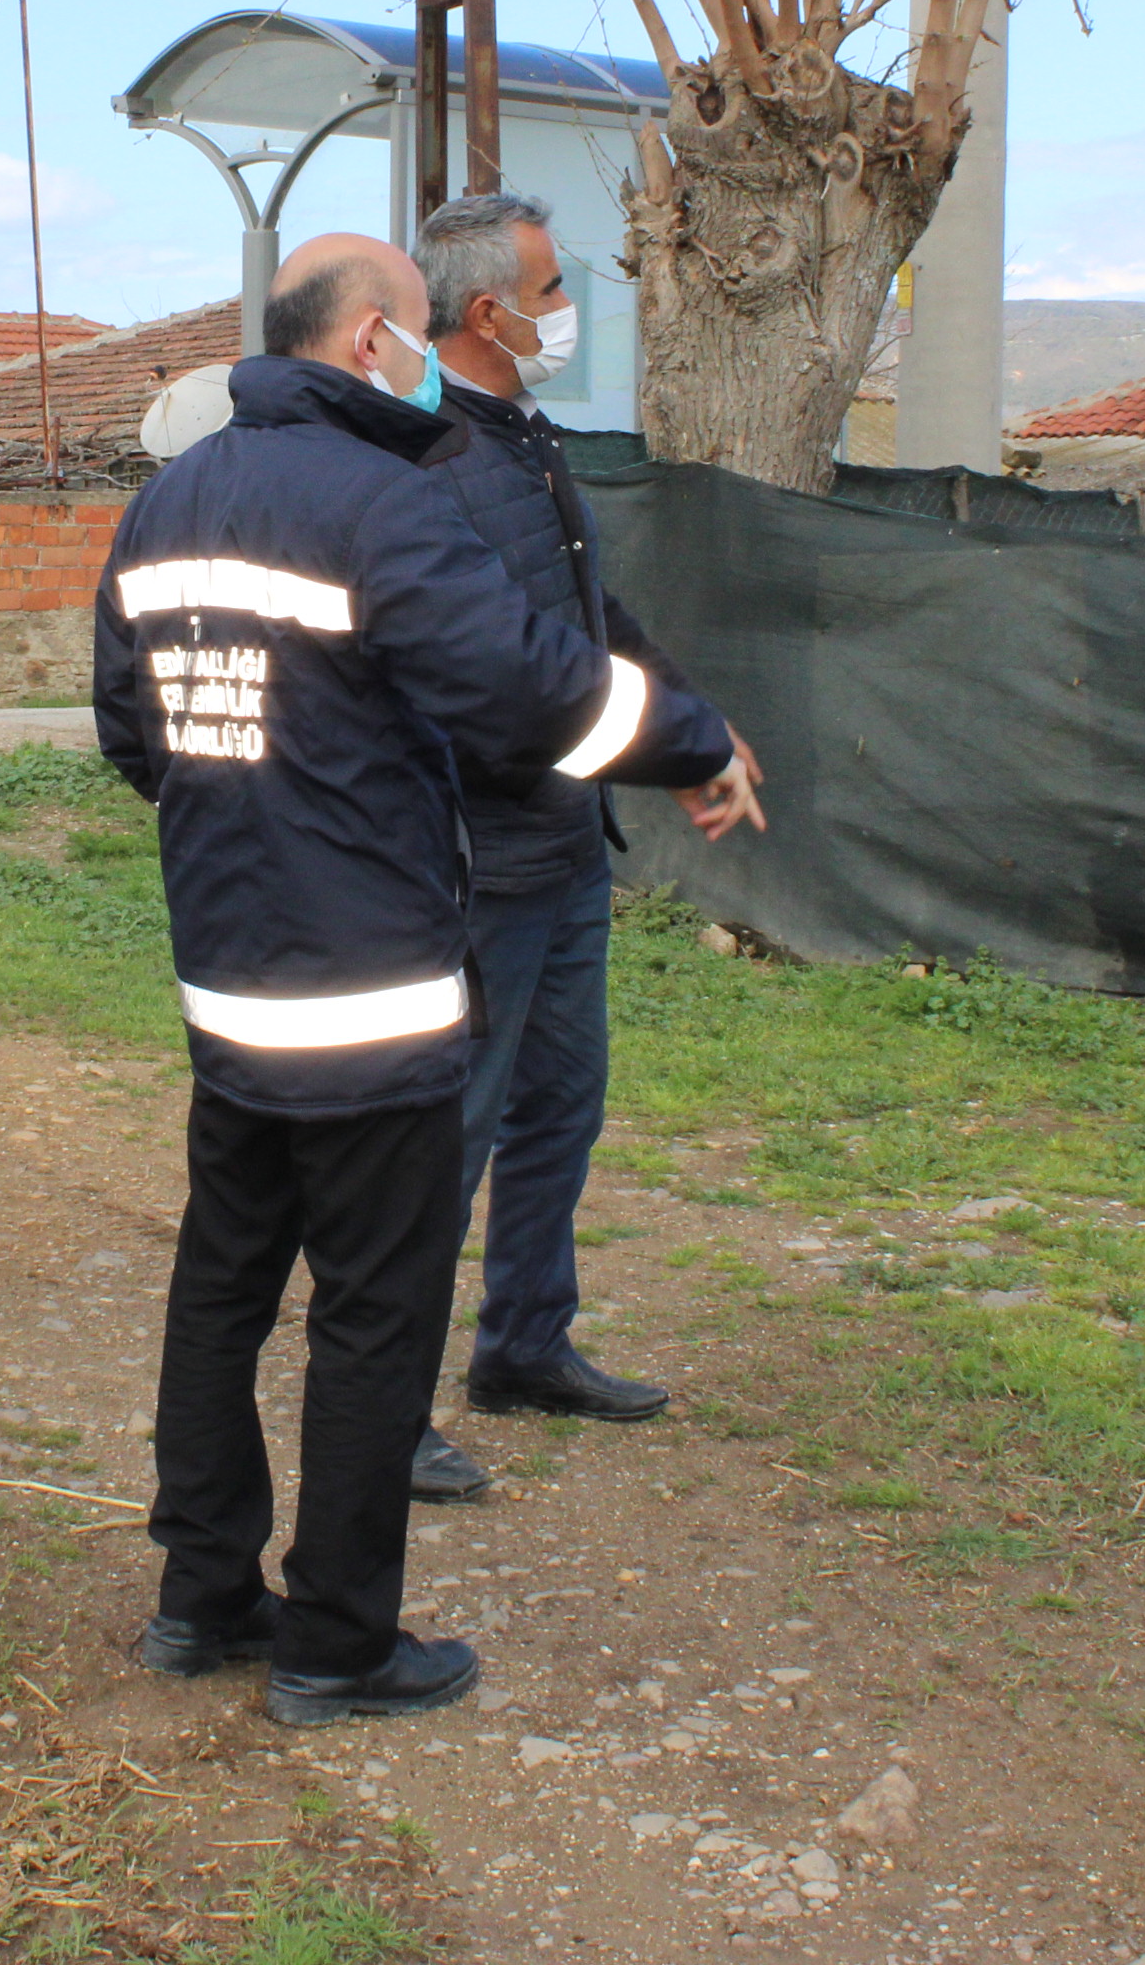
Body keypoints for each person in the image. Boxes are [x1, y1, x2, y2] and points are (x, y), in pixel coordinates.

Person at [96, 233, 761, 1727]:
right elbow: (532, 695)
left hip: (232, 986)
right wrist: (694, 740)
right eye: (406, 331)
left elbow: (132, 736)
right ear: (367, 345)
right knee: (375, 1314)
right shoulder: (383, 507)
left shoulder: (167, 502)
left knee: (221, 1291)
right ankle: (338, 1641)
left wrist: (254, 803)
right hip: (375, 995)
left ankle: (201, 1599)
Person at [402, 194, 766, 1507]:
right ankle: (383, 1405)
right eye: (555, 289)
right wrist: (681, 745)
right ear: (490, 313)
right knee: (451, 1132)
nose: (573, 311)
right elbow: (521, 675)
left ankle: (525, 1345)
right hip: (477, 853)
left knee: (562, 1105)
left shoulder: (519, 433)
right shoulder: (433, 453)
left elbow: (591, 617)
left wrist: (695, 725)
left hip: (562, 842)